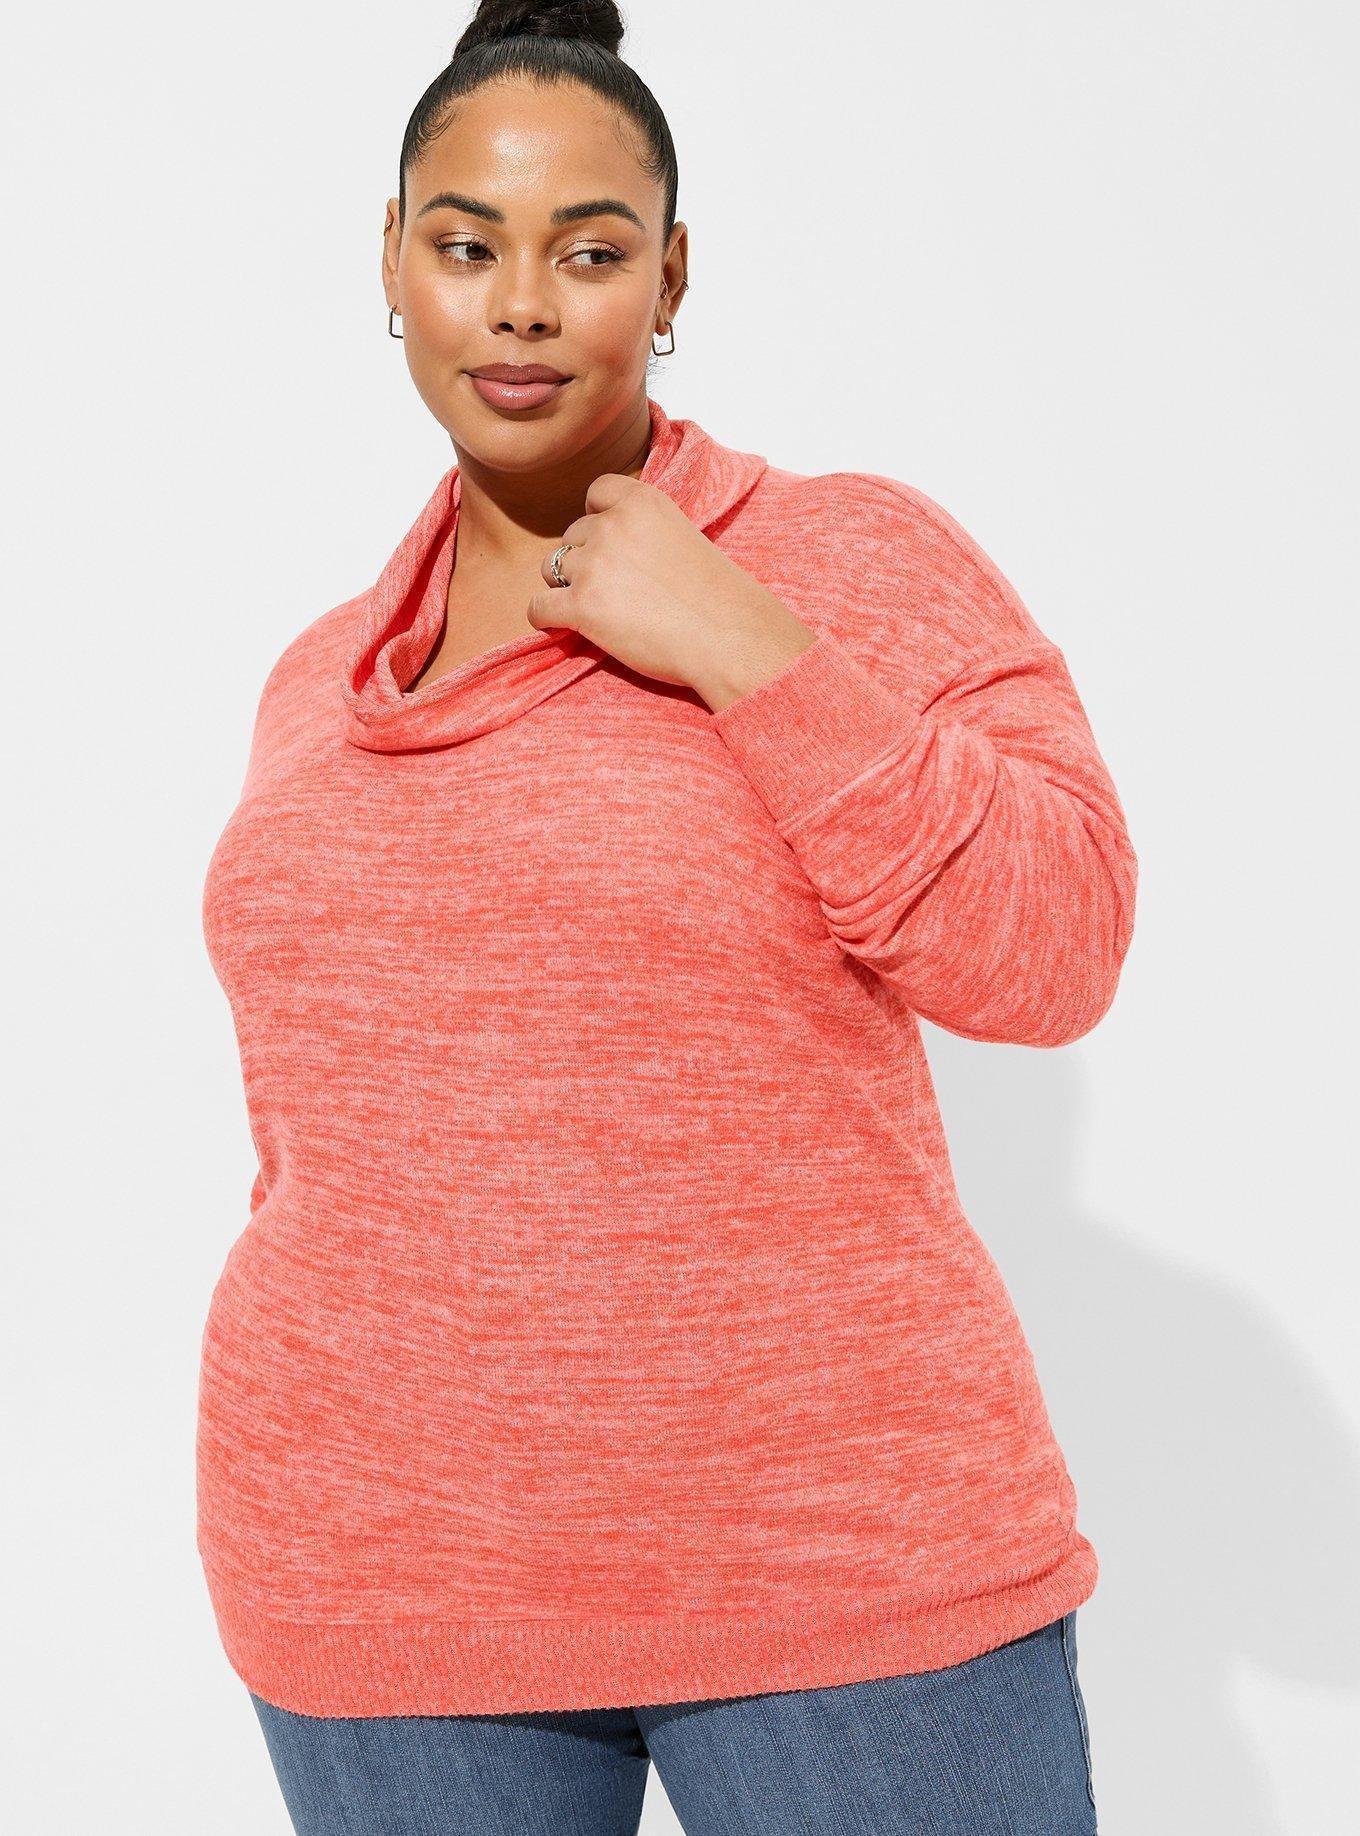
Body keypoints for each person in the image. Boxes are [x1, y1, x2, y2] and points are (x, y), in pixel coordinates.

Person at [197, 2, 1135, 1829]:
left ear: (673, 274)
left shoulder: (845, 556)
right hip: (379, 1582)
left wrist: (741, 642)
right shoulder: (319, 675)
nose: (521, 307)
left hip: (837, 1571)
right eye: (466, 245)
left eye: (589, 252)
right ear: (391, 265)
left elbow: (1059, 945)